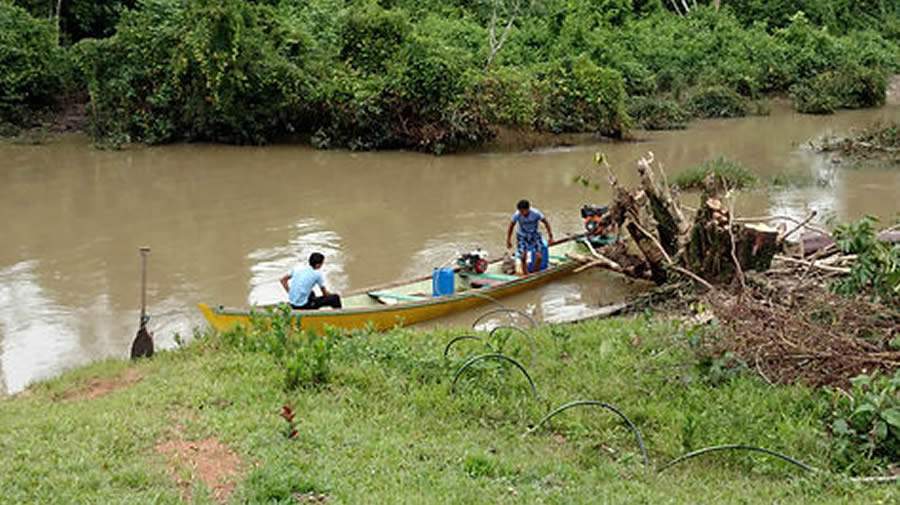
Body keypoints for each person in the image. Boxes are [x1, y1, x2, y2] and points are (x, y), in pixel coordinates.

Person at [505, 199, 554, 275]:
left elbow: (546, 223)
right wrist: (508, 240)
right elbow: (511, 226)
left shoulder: (536, 213)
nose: (522, 213)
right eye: (520, 211)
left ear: (528, 209)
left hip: (534, 235)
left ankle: (535, 272)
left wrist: (550, 237)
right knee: (523, 256)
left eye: (523, 211)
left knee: (539, 257)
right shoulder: (517, 215)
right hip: (522, 236)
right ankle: (526, 274)